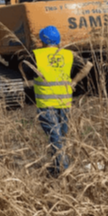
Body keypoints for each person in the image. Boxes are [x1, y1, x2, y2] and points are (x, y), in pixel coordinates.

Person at [22, 25, 93, 175]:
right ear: (58, 40)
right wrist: (74, 81)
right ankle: (58, 166)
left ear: (42, 41)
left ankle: (63, 170)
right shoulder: (69, 55)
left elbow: (24, 71)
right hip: (64, 103)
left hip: (46, 104)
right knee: (62, 136)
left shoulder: (36, 56)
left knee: (55, 137)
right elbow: (88, 65)